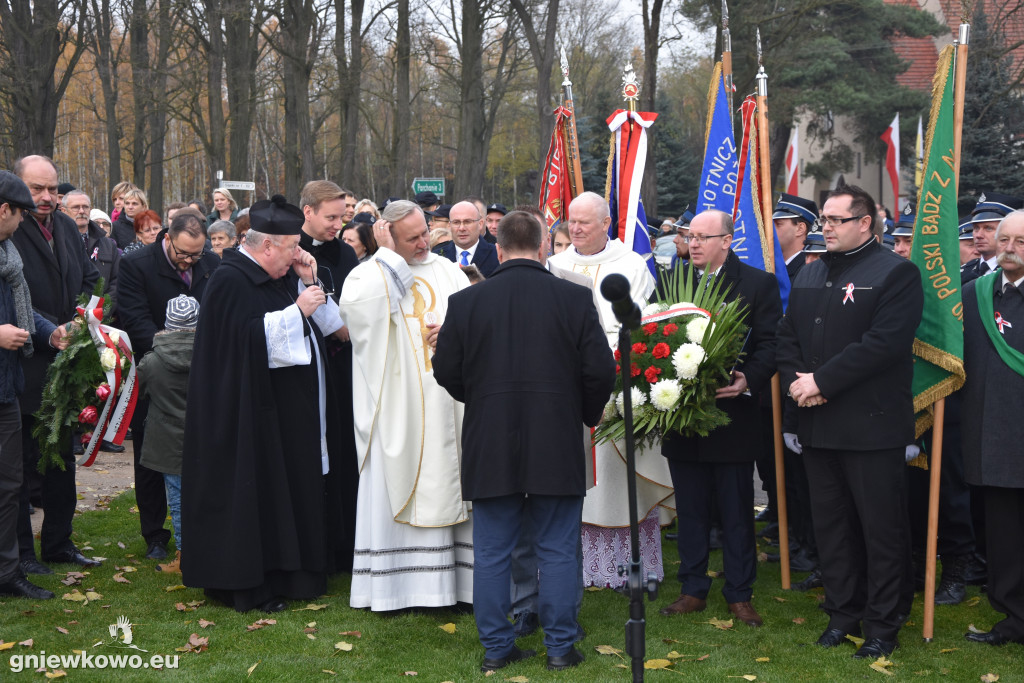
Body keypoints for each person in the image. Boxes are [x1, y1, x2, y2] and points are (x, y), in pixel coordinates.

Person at [433, 210, 614, 672]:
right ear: (541, 247)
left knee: (492, 550)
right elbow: (599, 371)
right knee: (556, 546)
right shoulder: (573, 299)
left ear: (497, 248)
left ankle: (497, 648)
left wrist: (483, 401)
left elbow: (446, 370)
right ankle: (559, 647)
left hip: (490, 438)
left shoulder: (468, 302)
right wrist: (580, 415)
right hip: (556, 436)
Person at [777, 184, 923, 659]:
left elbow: (883, 344)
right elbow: (787, 337)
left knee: (880, 531)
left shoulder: (896, 273)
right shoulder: (811, 274)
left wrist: (820, 381)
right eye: (824, 219)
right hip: (818, 425)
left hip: (870, 427)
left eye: (837, 219)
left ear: (865, 223)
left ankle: (883, 623)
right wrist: (798, 385)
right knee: (832, 527)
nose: (827, 227)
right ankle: (844, 613)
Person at [182, 194, 345, 613]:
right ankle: (251, 583)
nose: (299, 254)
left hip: (285, 414)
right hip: (245, 417)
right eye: (293, 247)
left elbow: (331, 330)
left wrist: (308, 286)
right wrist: (296, 311)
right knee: (256, 493)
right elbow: (237, 344)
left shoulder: (278, 276)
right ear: (268, 245)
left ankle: (295, 573)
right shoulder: (230, 279)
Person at [339, 199, 473, 611]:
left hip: (449, 402)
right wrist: (387, 258)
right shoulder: (369, 275)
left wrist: (453, 332)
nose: (424, 242)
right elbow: (361, 320)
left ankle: (459, 587)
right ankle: (398, 590)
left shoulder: (449, 270)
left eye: (426, 233)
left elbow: (474, 318)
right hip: (398, 406)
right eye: (412, 238)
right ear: (388, 236)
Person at [658, 210, 781, 628]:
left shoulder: (757, 284)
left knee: (735, 509)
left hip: (733, 414)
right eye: (689, 237)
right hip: (682, 415)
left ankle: (740, 593)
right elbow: (656, 337)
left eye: (702, 237)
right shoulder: (674, 282)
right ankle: (692, 588)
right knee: (690, 508)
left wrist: (749, 379)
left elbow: (770, 343)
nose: (692, 244)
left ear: (726, 241)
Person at [547, 191, 670, 590]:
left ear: (605, 224)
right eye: (571, 221)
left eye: (584, 222)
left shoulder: (630, 264)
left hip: (617, 388)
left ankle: (627, 564)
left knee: (618, 481)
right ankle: (578, 566)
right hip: (566, 389)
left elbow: (635, 325)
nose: (576, 228)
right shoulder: (555, 264)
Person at [11, 156, 100, 573]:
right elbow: (19, 296)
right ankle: (20, 555)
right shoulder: (9, 230)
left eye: (53, 190)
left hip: (67, 360)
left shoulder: (65, 225)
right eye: (37, 189)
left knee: (63, 461)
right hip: (26, 360)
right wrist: (51, 330)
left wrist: (84, 317)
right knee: (25, 464)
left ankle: (59, 543)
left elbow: (86, 277)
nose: (48, 198)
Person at [118, 210, 220, 561]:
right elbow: (133, 316)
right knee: (152, 457)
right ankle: (155, 535)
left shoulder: (210, 263)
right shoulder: (136, 264)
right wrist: (169, 346)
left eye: (197, 255)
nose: (190, 262)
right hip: (157, 369)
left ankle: (203, 527)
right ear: (167, 239)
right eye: (183, 254)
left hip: (204, 368)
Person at [0, 171, 68, 600]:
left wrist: (50, 333)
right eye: (20, 212)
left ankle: (7, 573)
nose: (23, 221)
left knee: (9, 486)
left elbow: (24, 313)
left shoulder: (8, 254)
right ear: (3, 209)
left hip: (7, 387)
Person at [961, 209, 1024, 646]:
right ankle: (1014, 619)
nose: (1009, 248)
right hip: (996, 438)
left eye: (1020, 241)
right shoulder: (973, 295)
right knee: (1004, 535)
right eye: (1004, 239)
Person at [296, 180, 361, 572]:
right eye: (331, 217)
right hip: (305, 365)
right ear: (308, 212)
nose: (338, 224)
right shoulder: (292, 251)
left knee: (343, 451)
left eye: (342, 217)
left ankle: (346, 540)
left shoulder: (345, 252)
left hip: (344, 365)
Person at [138, 294, 200, 574]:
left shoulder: (151, 362)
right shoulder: (211, 355)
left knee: (177, 500)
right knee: (207, 496)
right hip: (204, 439)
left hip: (167, 442)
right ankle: (209, 548)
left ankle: (185, 555)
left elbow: (139, 393)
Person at [962, 193, 1024, 283]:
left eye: (988, 228)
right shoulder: (964, 272)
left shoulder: (1016, 270)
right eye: (976, 228)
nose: (978, 235)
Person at [434, 201, 499, 277]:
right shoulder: (437, 256)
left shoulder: (497, 255)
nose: (461, 228)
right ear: (449, 225)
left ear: (480, 224)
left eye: (467, 222)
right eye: (456, 222)